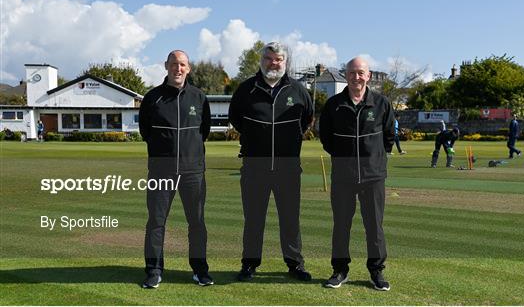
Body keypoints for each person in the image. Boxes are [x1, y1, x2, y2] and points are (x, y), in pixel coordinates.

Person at [228, 42, 314, 282]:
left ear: (285, 62)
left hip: (288, 168)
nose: (273, 63)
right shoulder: (246, 89)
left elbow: (307, 119)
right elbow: (236, 119)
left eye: (278, 59)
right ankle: (250, 263)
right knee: (254, 219)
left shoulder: (298, 90)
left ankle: (295, 264)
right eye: (268, 58)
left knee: (290, 219)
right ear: (261, 60)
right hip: (255, 167)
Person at [319, 57, 395, 290]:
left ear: (368, 76)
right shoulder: (334, 105)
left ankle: (376, 271)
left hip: (373, 177)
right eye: (352, 73)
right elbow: (326, 138)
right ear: (346, 75)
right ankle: (340, 270)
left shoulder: (381, 103)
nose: (356, 77)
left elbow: (389, 136)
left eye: (361, 73)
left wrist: (375, 160)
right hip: (343, 177)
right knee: (341, 224)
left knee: (374, 226)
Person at [138, 50, 213, 288]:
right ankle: (154, 270)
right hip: (161, 172)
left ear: (188, 68)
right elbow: (145, 132)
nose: (177, 69)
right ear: (166, 66)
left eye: (182, 65)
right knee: (156, 222)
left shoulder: (199, 98)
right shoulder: (153, 98)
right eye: (173, 64)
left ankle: (200, 270)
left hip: (193, 172)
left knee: (197, 223)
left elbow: (205, 131)